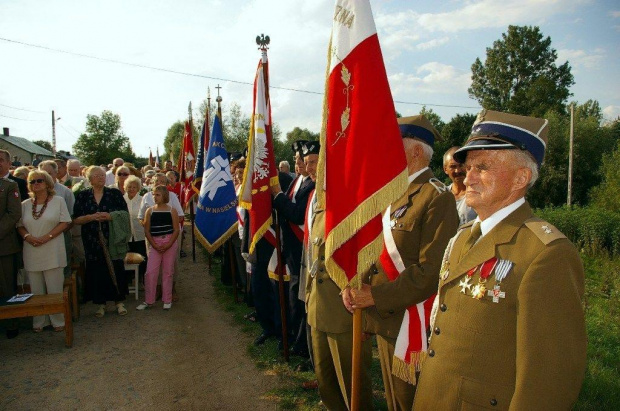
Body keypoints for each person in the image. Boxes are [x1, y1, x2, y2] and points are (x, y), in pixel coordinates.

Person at [412, 110, 587, 410]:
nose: (468, 178)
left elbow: (547, 381)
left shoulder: (546, 254)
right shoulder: (463, 236)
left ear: (521, 177)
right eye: (468, 168)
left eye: (482, 167)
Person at [345, 115, 459, 410]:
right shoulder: (393, 195)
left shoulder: (437, 197)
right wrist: (356, 285)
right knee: (395, 400)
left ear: (417, 152)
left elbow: (430, 272)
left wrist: (374, 296)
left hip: (412, 323)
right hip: (386, 318)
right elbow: (375, 252)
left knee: (411, 402)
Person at [303, 141, 374, 410]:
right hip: (319, 307)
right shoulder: (321, 203)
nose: (315, 172)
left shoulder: (360, 203)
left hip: (346, 311)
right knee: (326, 380)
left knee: (353, 386)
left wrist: (366, 314)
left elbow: (368, 258)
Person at [270, 140, 315, 357]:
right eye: (298, 159)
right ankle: (293, 336)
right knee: (292, 295)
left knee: (300, 298)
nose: (298, 163)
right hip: (290, 248)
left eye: (302, 160)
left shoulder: (313, 185)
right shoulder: (297, 181)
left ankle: (301, 344)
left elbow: (297, 215)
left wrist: (278, 195)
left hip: (301, 249)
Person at [17, 170, 71, 332]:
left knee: (54, 289)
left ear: (48, 183)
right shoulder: (25, 204)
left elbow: (65, 222)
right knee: (36, 289)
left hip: (53, 248)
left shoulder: (58, 201)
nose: (36, 184)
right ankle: (39, 321)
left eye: (39, 180)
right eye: (32, 182)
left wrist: (47, 237)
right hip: (32, 249)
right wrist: (28, 237)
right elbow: (19, 225)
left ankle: (58, 321)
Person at [73, 166, 130, 317]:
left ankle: (119, 302)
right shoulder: (83, 196)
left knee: (115, 267)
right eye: (97, 175)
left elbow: (124, 214)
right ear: (89, 179)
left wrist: (110, 216)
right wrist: (91, 217)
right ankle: (100, 304)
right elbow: (76, 219)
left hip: (111, 239)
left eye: (103, 175)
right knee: (96, 270)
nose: (101, 177)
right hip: (91, 239)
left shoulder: (114, 193)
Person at [136, 185, 179, 310]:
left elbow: (176, 230)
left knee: (168, 272)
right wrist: (154, 245)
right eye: (154, 195)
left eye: (158, 195)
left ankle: (167, 299)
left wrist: (169, 244)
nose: (155, 197)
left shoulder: (172, 210)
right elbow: (147, 230)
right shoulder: (150, 211)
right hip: (155, 243)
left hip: (169, 242)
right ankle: (149, 300)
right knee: (150, 272)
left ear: (164, 196)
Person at [0, 149, 22, 339]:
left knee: (7, 287)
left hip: (4, 246)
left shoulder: (10, 186)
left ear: (8, 163)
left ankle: (11, 324)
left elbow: (14, 214)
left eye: (0, 160)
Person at [444, 146, 477, 225]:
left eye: (461, 165)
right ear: (445, 169)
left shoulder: (478, 194)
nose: (457, 171)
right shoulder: (441, 195)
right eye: (453, 166)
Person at [124, 176, 147, 279]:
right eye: (129, 187)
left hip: (140, 234)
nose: (131, 189)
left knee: (142, 257)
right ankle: (129, 280)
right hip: (126, 235)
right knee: (126, 258)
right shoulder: (121, 200)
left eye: (134, 187)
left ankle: (141, 279)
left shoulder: (142, 200)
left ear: (138, 188)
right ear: (125, 187)